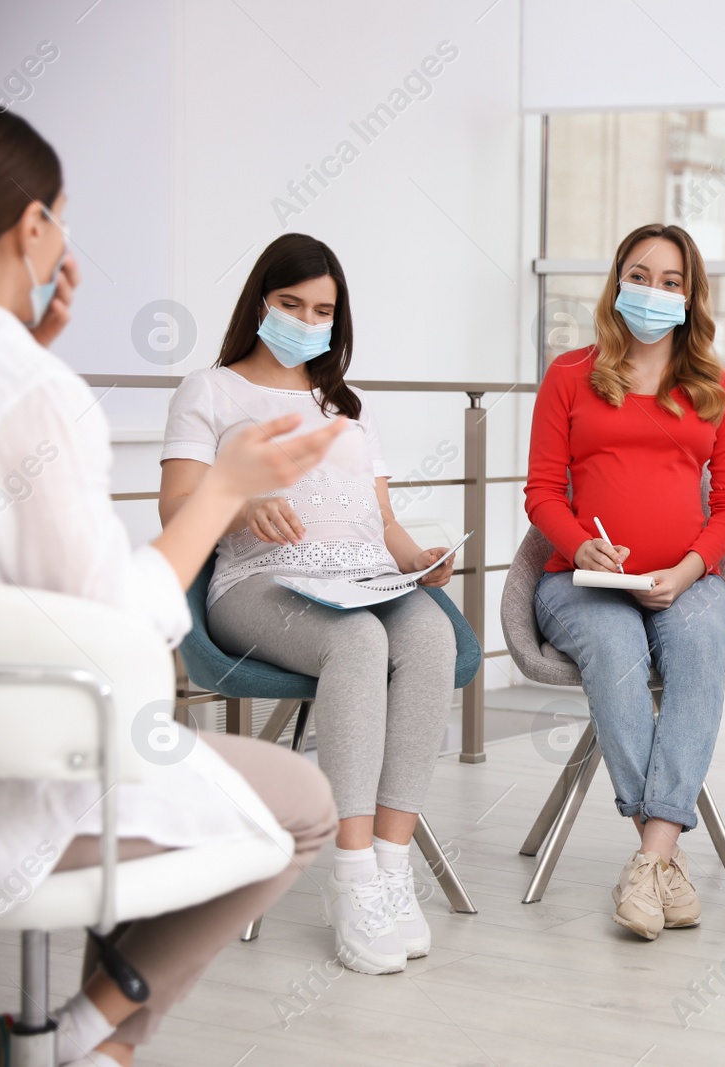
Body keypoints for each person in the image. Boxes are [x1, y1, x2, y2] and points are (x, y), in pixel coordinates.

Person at [0, 100, 342, 1067]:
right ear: (35, 227)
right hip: (3, 789)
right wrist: (226, 489)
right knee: (300, 803)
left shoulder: (18, 381)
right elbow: (109, 636)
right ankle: (87, 1041)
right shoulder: (34, 393)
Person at [159, 234, 459, 975]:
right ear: (261, 301)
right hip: (257, 587)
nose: (305, 318)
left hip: (360, 576)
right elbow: (175, 507)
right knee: (355, 642)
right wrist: (238, 505)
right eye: (291, 303)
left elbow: (383, 523)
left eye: (322, 309)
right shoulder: (212, 389)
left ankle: (392, 865)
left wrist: (416, 558)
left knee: (429, 635)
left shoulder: (345, 404)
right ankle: (352, 879)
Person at [524, 223, 725, 940]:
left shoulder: (718, 388)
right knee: (616, 646)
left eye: (671, 280)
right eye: (640, 274)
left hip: (689, 580)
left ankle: (652, 856)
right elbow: (540, 492)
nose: (653, 291)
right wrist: (581, 547)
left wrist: (689, 570)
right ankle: (664, 862)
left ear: (691, 296)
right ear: (617, 282)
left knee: (697, 646)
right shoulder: (568, 376)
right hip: (582, 584)